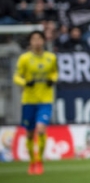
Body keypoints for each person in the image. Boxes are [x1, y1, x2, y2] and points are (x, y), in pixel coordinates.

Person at [13, 31, 58, 175]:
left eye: (39, 39)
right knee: (30, 134)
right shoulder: (24, 59)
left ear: (44, 41)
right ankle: (32, 160)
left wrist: (53, 79)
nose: (37, 42)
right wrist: (25, 82)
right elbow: (16, 77)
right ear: (30, 42)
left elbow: (54, 73)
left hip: (45, 100)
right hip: (29, 100)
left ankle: (39, 161)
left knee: (41, 128)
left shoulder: (51, 58)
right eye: (34, 39)